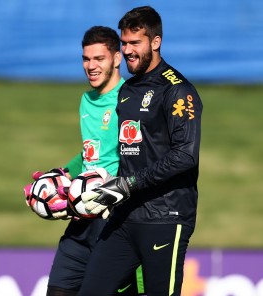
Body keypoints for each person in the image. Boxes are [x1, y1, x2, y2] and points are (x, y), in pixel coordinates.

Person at [78, 6, 203, 296]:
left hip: (166, 217)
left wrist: (130, 184)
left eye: (136, 42)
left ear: (155, 42)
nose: (128, 50)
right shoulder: (127, 90)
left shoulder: (178, 90)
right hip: (125, 216)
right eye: (124, 43)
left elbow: (186, 154)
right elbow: (126, 153)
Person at [24, 26, 142, 296]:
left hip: (115, 217)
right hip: (82, 215)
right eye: (86, 59)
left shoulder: (131, 100)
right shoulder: (86, 101)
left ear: (116, 58)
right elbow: (90, 154)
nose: (91, 66)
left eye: (99, 59)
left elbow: (141, 157)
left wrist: (111, 188)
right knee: (57, 291)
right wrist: (61, 175)